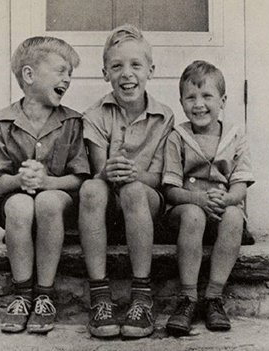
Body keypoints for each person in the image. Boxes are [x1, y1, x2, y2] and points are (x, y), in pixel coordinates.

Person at [0, 36, 90, 334]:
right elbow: (1, 182)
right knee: (18, 203)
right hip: (16, 205)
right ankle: (22, 294)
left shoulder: (72, 122)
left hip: (59, 204)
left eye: (70, 73)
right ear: (29, 75)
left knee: (48, 200)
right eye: (60, 71)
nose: (66, 79)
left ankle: (45, 294)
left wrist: (47, 182)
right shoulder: (3, 123)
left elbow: (80, 179)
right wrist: (19, 179)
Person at [79, 24, 174, 338]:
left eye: (136, 65)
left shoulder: (164, 116)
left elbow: (160, 178)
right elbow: (96, 173)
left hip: (146, 203)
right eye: (116, 66)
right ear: (105, 72)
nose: (127, 74)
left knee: (134, 190)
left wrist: (135, 175)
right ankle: (100, 296)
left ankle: (142, 296)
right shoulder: (95, 115)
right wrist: (108, 171)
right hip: (107, 205)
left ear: (151, 70)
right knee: (91, 188)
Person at [163, 60, 254, 336]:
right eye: (190, 97)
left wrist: (225, 200)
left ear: (223, 100)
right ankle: (188, 297)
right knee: (192, 213)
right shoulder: (177, 137)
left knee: (235, 215)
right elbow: (170, 190)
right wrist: (199, 200)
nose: (199, 104)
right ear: (181, 102)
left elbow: (240, 188)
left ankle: (214, 296)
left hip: (222, 207)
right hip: (186, 211)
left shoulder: (235, 137)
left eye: (207, 96)